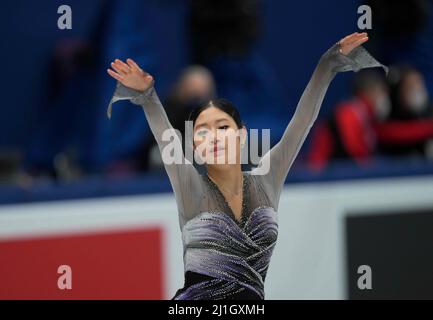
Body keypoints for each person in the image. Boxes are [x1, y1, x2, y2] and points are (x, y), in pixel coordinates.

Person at [106, 32, 387, 300]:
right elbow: (164, 134)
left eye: (222, 127)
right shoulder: (191, 188)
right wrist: (148, 97)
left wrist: (328, 64)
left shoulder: (267, 179)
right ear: (193, 146)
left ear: (241, 135)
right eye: (202, 131)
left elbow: (303, 121)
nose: (213, 136)